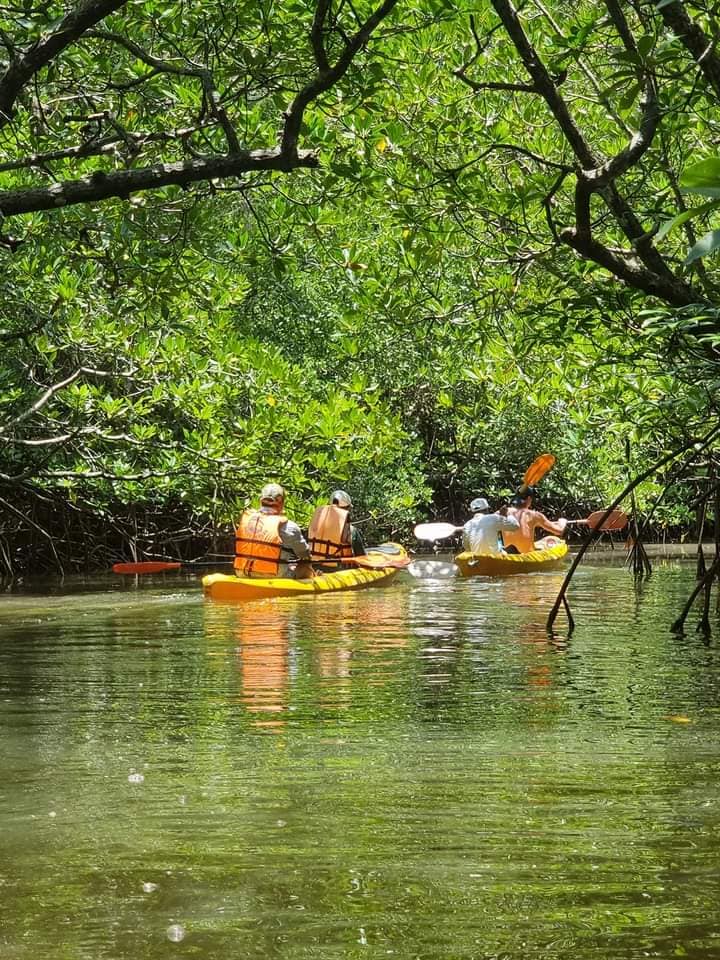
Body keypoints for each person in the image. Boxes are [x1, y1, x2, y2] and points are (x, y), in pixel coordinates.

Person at [234, 483, 313, 579]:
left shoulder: (245, 520)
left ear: (260, 501)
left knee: (290, 563)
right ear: (281, 503)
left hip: (241, 573)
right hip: (272, 576)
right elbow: (304, 553)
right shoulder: (289, 527)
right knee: (305, 563)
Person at [307, 489, 366, 567]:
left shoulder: (316, 523)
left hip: (315, 567)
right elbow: (361, 556)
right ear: (347, 508)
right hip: (339, 570)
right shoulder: (351, 531)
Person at [503, 486, 568, 554]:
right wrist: (562, 522)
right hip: (527, 557)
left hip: (507, 554)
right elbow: (559, 531)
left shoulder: (502, 512)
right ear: (529, 499)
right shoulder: (534, 515)